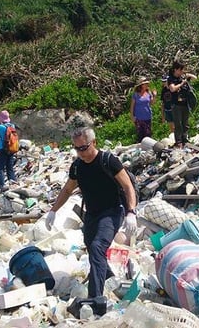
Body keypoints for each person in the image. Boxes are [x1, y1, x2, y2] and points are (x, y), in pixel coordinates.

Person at [44, 127, 137, 299]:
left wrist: (131, 212)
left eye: (84, 148)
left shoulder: (108, 160)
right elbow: (67, 190)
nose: (81, 153)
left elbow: (127, 186)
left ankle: (95, 299)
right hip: (92, 214)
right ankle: (109, 279)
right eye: (77, 149)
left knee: (97, 247)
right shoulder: (77, 166)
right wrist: (53, 211)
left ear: (94, 142)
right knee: (90, 245)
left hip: (112, 212)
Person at [167, 60, 197, 148]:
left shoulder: (182, 77)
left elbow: (195, 78)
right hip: (176, 104)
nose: (181, 72)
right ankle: (178, 141)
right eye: (180, 70)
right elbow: (172, 89)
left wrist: (188, 75)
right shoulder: (171, 78)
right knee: (178, 123)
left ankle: (185, 139)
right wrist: (181, 83)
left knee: (185, 123)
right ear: (175, 69)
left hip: (185, 103)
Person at [0, 110, 17, 190]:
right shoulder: (12, 126)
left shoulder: (0, 127)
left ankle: (2, 185)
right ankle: (13, 182)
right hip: (11, 149)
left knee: (0, 168)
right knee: (10, 167)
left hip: (2, 149)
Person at [130, 78, 157, 142]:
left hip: (147, 116)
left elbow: (152, 103)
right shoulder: (136, 94)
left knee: (148, 134)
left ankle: (148, 148)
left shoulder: (148, 93)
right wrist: (132, 116)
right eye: (146, 84)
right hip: (138, 117)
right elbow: (132, 106)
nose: (147, 85)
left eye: (147, 84)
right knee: (140, 134)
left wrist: (154, 96)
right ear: (141, 85)